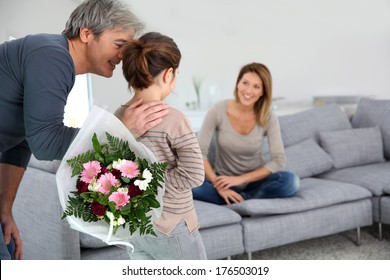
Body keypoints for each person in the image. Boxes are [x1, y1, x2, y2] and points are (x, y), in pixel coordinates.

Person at [0, 0, 169, 260]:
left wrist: (5, 208)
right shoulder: (52, 56)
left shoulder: (53, 59)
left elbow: (24, 143)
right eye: (120, 44)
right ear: (87, 34)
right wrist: (118, 128)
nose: (124, 55)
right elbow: (46, 143)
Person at [115, 32, 207, 260]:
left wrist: (140, 188)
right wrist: (152, 187)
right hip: (172, 225)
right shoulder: (174, 119)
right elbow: (195, 174)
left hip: (134, 224)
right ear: (168, 74)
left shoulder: (118, 116)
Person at [192, 62, 300, 205]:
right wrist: (219, 185)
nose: (248, 91)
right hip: (222, 182)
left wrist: (240, 179)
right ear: (238, 84)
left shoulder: (268, 116)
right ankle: (243, 201)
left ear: (263, 91)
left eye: (256, 86)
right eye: (245, 83)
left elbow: (279, 161)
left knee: (291, 182)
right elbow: (199, 153)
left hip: (255, 181)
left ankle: (241, 200)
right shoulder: (218, 110)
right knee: (191, 186)